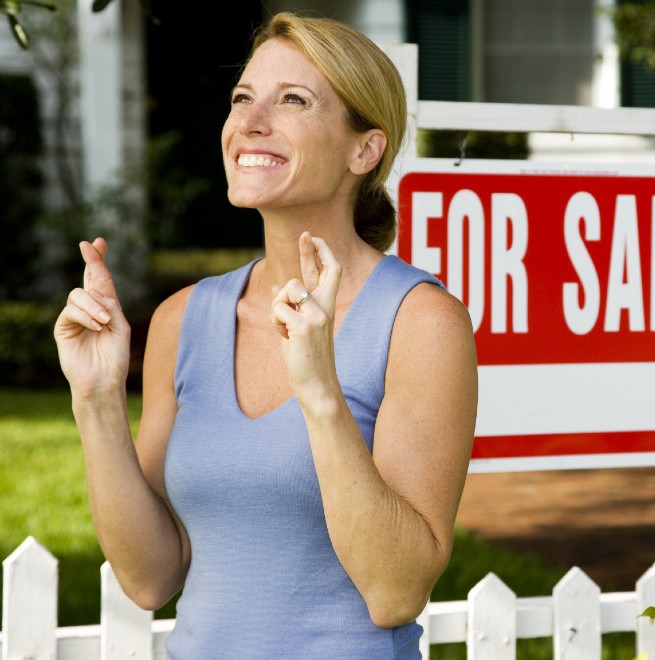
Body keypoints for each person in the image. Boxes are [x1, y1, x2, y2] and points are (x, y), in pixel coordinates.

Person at [53, 11, 478, 659]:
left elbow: (394, 593)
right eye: (242, 99)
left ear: (364, 150)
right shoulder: (183, 319)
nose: (250, 123)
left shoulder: (420, 321)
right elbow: (150, 578)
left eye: (294, 101)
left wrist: (320, 393)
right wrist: (97, 399)